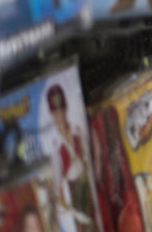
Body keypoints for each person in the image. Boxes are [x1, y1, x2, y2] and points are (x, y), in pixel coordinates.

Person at [47, 85, 96, 232]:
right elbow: (56, 186)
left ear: (66, 109)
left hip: (87, 190)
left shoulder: (77, 132)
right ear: (51, 114)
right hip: (71, 199)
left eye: (62, 110)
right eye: (56, 112)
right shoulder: (54, 145)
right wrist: (71, 211)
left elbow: (88, 160)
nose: (60, 115)